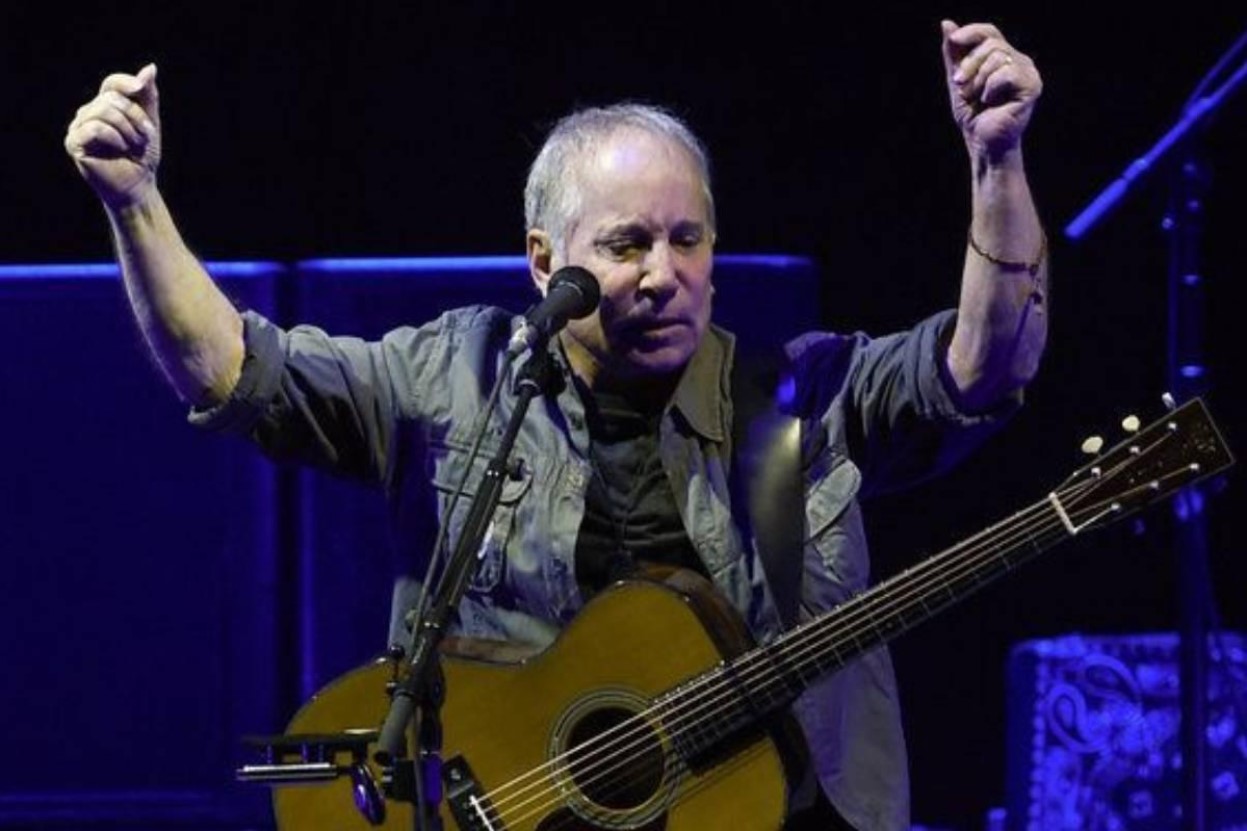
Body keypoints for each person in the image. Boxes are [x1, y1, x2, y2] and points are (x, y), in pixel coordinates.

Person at [64, 18, 1047, 831]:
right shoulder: (451, 379)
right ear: (544, 260)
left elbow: (981, 366)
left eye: (686, 240)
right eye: (625, 245)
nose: (663, 274)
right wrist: (135, 203)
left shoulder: (799, 398)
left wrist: (995, 160)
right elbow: (234, 371)